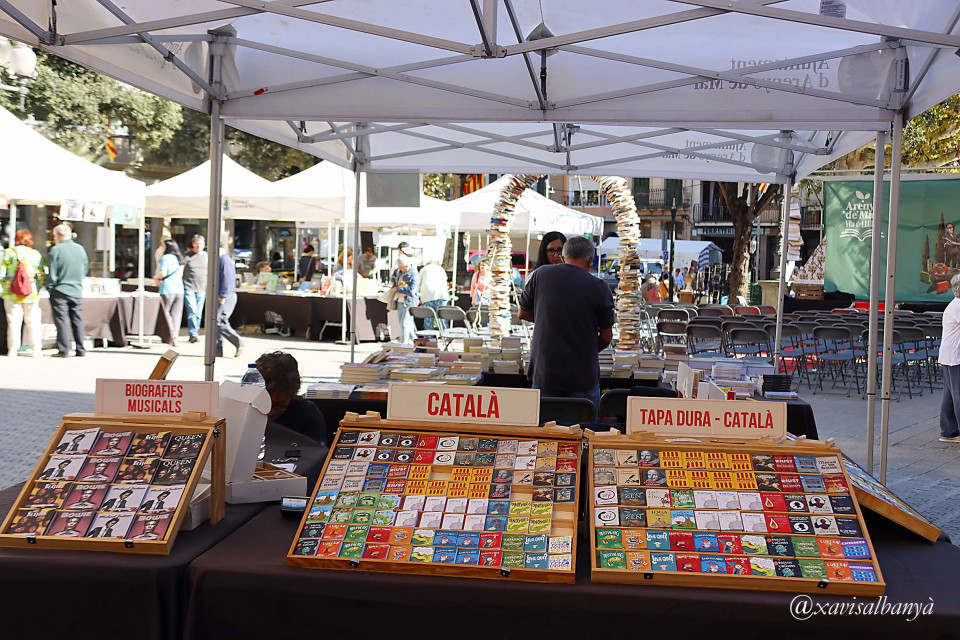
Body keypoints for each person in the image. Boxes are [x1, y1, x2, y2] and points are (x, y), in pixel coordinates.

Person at [518, 236, 614, 408]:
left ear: (563, 257)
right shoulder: (600, 287)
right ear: (590, 260)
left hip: (545, 372)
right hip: (583, 376)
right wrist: (586, 349)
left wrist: (549, 320)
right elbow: (606, 337)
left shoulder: (540, 275)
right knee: (583, 423)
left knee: (544, 424)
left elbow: (522, 313)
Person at [256, 351, 330, 446]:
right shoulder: (244, 410)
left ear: (292, 395)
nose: (270, 412)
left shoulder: (306, 413)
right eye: (263, 404)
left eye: (279, 405)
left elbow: (317, 450)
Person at [1, 229, 45, 357]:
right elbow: (41, 274)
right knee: (33, 321)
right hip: (31, 292)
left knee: (13, 322)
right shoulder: (35, 254)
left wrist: (5, 286)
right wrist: (37, 287)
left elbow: (1, 274)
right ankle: (36, 349)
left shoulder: (8, 253)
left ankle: (13, 349)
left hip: (11, 292)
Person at [47, 224, 89, 357]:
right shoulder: (80, 249)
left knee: (61, 321)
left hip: (60, 289)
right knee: (77, 320)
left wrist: (50, 287)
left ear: (57, 236)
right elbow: (85, 269)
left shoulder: (55, 250)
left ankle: (64, 349)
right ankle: (80, 349)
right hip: (76, 289)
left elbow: (52, 273)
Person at [939, 274, 960, 443]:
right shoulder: (958, 306)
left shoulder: (955, 304)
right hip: (954, 356)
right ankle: (949, 430)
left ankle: (949, 430)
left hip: (950, 355)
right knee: (957, 395)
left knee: (950, 394)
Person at [217, 232, 245, 358]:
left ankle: (239, 341)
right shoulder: (222, 260)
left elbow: (227, 278)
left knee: (219, 321)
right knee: (218, 321)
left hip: (226, 295)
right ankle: (217, 349)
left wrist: (223, 295)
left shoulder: (224, 260)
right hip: (224, 294)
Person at [155, 239, 185, 345]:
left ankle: (170, 334)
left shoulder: (165, 258)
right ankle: (175, 335)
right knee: (177, 314)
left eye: (163, 246)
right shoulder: (179, 258)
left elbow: (163, 273)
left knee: (166, 312)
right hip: (179, 288)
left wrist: (155, 277)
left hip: (167, 288)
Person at [182, 235, 207, 344]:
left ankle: (195, 331)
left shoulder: (206, 256)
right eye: (196, 243)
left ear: (204, 244)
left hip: (202, 288)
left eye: (200, 243)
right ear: (193, 244)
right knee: (192, 311)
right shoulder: (187, 256)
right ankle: (193, 334)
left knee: (198, 313)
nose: (198, 245)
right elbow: (181, 270)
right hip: (189, 287)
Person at [392, 254, 420, 344]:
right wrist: (393, 280)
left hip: (409, 302)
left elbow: (412, 291)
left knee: (405, 324)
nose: (399, 269)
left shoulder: (414, 274)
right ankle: (418, 342)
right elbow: (394, 274)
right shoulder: (399, 271)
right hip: (400, 300)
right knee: (405, 324)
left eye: (401, 267)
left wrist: (398, 289)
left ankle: (403, 344)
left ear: (406, 266)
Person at [418, 260, 449, 330]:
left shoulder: (423, 269)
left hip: (427, 296)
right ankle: (445, 334)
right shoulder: (441, 269)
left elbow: (419, 284)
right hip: (441, 295)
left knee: (428, 319)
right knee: (442, 317)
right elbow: (445, 282)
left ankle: (429, 335)